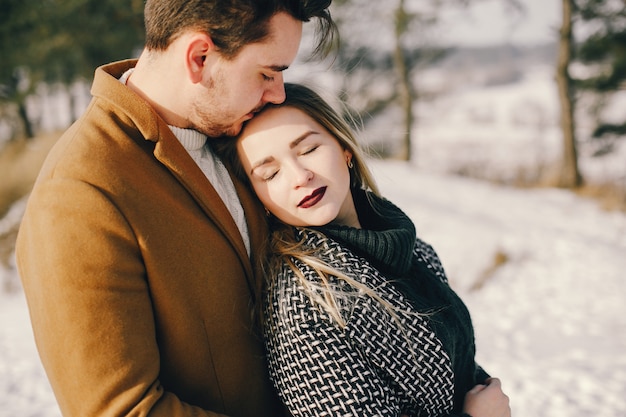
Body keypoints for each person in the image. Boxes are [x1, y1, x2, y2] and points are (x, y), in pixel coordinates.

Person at [16, 2, 337, 416]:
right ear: (200, 58)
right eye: (266, 73)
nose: (277, 93)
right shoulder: (79, 194)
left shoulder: (240, 136)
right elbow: (123, 410)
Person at [214, 83, 512, 417]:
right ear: (259, 197)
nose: (300, 176)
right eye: (271, 173)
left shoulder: (413, 250)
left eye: (309, 149)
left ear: (345, 149)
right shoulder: (306, 301)